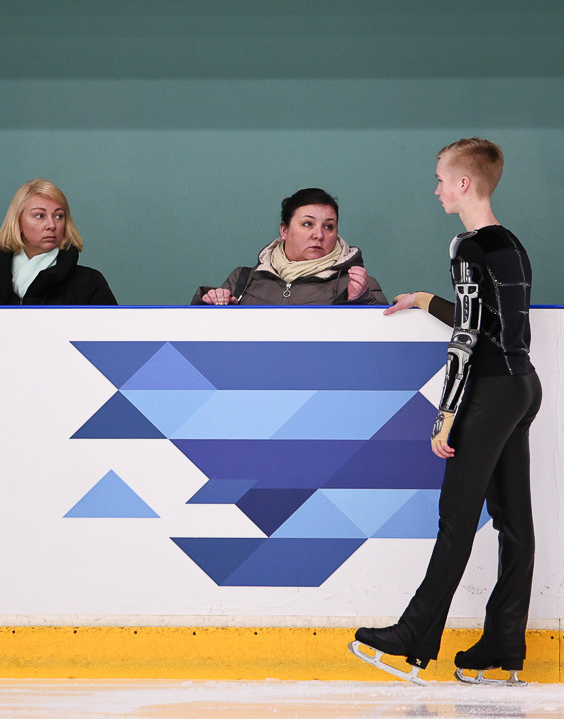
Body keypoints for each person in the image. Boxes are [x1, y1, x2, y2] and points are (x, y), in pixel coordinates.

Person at [352, 139, 542, 685]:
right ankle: (504, 644)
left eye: (440, 179)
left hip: (488, 391)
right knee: (514, 524)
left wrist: (446, 414)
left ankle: (415, 635)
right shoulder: (511, 244)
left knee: (457, 519)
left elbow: (468, 336)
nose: (436, 188)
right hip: (523, 386)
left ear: (463, 184)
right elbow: (486, 318)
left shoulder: (467, 245)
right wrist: (421, 300)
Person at [190, 187, 387, 305]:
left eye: (329, 226)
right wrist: (212, 301)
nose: (319, 235)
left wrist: (361, 301)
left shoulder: (358, 284)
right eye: (307, 224)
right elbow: (204, 336)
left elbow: (382, 339)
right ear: (284, 230)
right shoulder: (241, 280)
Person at [0, 179, 118, 305]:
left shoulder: (89, 283)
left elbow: (112, 342)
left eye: (59, 216)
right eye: (40, 215)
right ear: (18, 223)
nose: (52, 225)